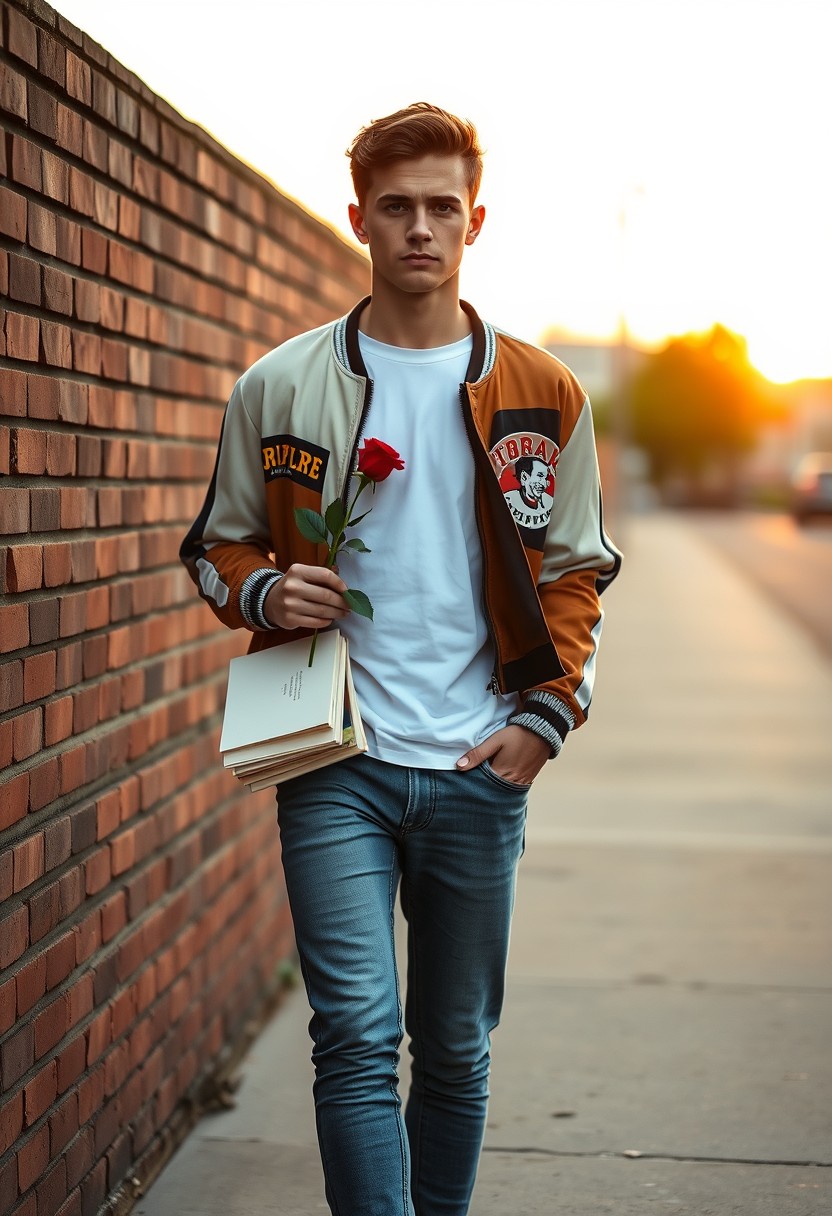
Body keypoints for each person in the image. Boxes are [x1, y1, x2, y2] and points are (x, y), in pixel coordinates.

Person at [181, 101, 621, 1216]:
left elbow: (577, 567)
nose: (419, 227)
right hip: (338, 760)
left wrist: (542, 719)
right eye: (396, 208)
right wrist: (270, 588)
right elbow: (215, 545)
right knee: (356, 1038)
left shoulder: (542, 390)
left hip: (479, 766)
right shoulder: (279, 386)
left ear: (474, 220)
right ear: (359, 221)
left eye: (440, 207)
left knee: (456, 1047)